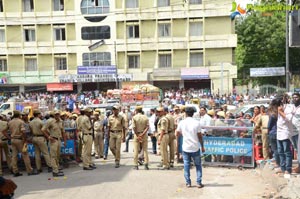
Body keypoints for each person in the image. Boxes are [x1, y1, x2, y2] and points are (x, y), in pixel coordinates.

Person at [176, 107, 205, 188]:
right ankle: (199, 182)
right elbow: (200, 136)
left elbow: (177, 133)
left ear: (185, 113)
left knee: (186, 165)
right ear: (193, 114)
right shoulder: (197, 123)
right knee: (198, 165)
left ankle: (188, 182)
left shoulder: (182, 122)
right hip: (195, 147)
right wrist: (202, 146)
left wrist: (183, 134)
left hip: (185, 147)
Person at [9, 110, 38, 177]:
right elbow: (23, 132)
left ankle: (15, 171)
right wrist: (25, 140)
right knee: (25, 155)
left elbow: (4, 131)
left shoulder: (10, 122)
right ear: (19, 115)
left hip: (13, 140)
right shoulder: (21, 122)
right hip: (20, 140)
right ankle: (29, 170)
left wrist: (9, 137)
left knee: (14, 156)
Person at [42, 110, 67, 177]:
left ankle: (57, 168)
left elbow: (63, 131)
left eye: (58, 114)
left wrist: (65, 141)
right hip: (53, 140)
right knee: (53, 156)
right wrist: (49, 137)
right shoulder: (50, 121)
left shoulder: (61, 121)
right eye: (56, 114)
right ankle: (55, 171)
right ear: (53, 115)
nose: (57, 115)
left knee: (58, 155)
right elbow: (43, 129)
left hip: (59, 140)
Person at [277, 96, 293, 178]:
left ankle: (288, 169)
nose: (281, 100)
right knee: (280, 152)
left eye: (283, 99)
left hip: (285, 133)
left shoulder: (289, 107)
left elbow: (289, 119)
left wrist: (280, 112)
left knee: (287, 152)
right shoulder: (280, 107)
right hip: (279, 134)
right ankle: (283, 169)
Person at [132, 106, 149, 170]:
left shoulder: (134, 117)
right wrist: (142, 134)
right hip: (143, 134)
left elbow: (134, 127)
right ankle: (146, 164)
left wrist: (138, 135)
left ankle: (135, 165)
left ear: (136, 110)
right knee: (145, 150)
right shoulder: (145, 117)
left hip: (137, 134)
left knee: (136, 150)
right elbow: (147, 127)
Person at [267, 99, 280, 169]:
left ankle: (278, 163)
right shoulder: (280, 112)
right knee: (279, 149)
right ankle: (279, 162)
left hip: (273, 132)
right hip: (280, 132)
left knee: (275, 149)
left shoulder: (272, 114)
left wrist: (267, 131)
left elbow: (269, 125)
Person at [290, 93, 300, 173]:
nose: (294, 99)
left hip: (299, 131)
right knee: (296, 149)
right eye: (293, 97)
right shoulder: (292, 107)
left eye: (296, 97)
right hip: (292, 131)